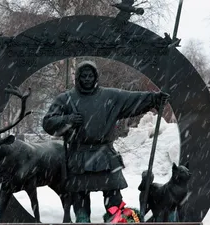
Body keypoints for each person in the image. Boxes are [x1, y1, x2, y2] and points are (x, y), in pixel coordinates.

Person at [42, 60, 170, 223]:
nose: (87, 79)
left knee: (114, 198)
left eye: (90, 75)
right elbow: (48, 122)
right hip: (79, 157)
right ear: (78, 78)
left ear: (96, 76)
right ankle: (83, 219)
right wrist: (68, 119)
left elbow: (134, 99)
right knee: (80, 199)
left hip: (105, 155)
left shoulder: (111, 96)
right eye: (83, 76)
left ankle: (115, 218)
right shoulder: (65, 99)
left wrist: (154, 98)